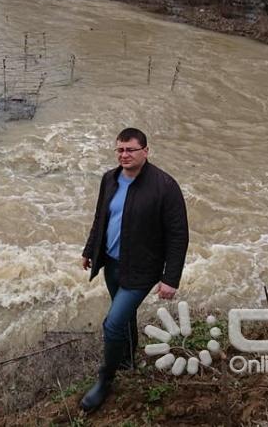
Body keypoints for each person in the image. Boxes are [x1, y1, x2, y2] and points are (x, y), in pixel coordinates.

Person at [79, 127, 189, 412]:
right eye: (120, 150)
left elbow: (178, 235)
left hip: (142, 270)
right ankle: (127, 359)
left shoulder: (165, 186)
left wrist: (170, 278)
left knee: (112, 323)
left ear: (145, 151)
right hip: (112, 265)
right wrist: (90, 250)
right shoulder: (110, 179)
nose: (124, 155)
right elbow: (100, 218)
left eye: (130, 149)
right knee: (124, 316)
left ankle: (105, 380)